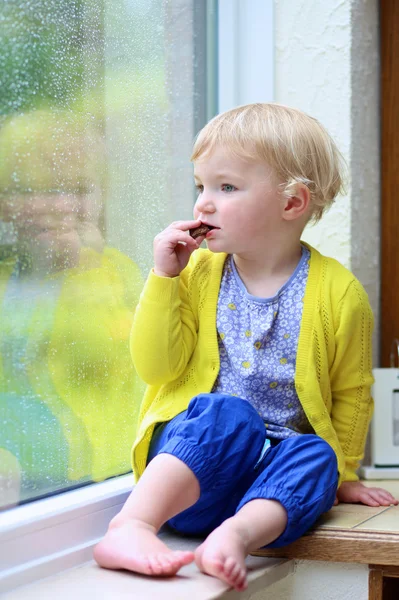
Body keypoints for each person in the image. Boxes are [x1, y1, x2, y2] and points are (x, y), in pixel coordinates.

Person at [94, 103, 398, 591]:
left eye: (226, 187)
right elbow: (156, 367)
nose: (203, 204)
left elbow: (352, 394)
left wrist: (343, 475)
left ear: (292, 203)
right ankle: (130, 526)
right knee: (228, 413)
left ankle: (233, 539)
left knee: (317, 453)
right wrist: (163, 280)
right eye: (201, 186)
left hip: (263, 494)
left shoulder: (340, 294)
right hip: (196, 471)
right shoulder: (195, 275)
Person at [0, 109, 144, 508]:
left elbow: (108, 348)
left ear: (102, 197)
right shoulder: (6, 278)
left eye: (77, 188)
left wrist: (80, 265)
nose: (58, 204)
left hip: (94, 484)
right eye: (34, 191)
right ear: (3, 201)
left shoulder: (115, 272)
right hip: (20, 485)